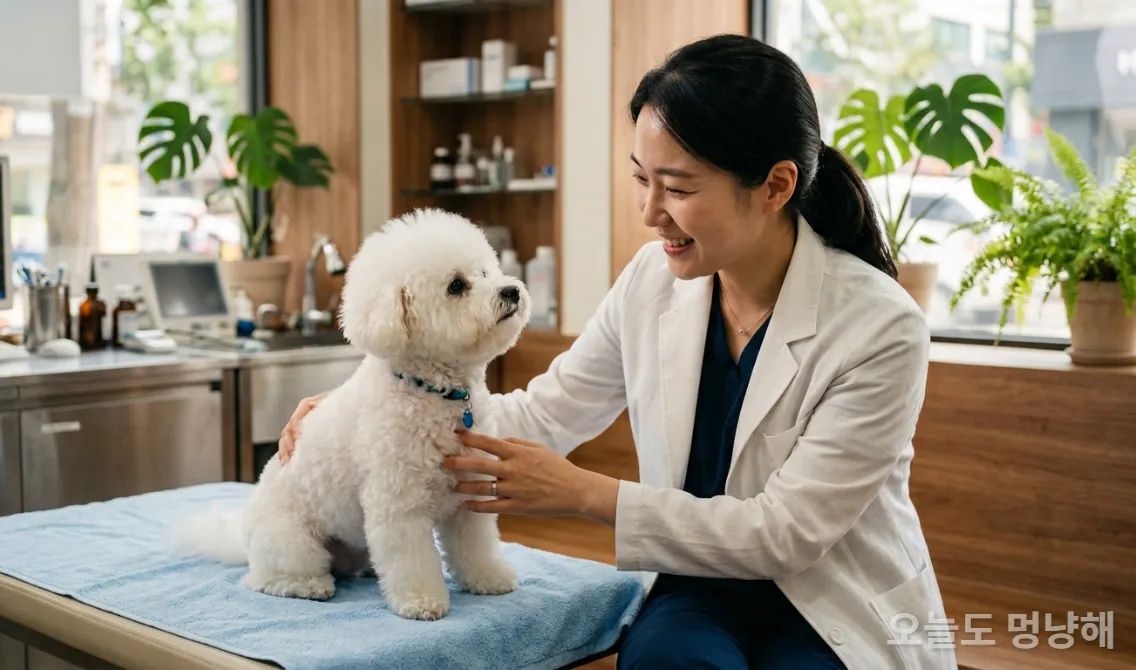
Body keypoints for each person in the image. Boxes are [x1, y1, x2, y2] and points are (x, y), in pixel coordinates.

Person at [277, 34, 953, 670]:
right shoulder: (651, 282)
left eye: (679, 188)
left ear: (775, 186)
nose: (649, 211)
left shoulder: (878, 325)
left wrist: (585, 494)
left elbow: (787, 534)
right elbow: (546, 413)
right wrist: (361, 414)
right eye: (641, 179)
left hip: (833, 596)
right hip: (701, 585)